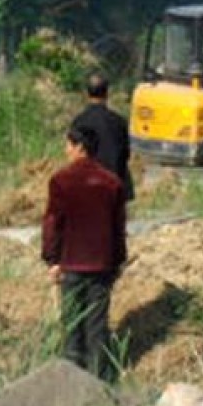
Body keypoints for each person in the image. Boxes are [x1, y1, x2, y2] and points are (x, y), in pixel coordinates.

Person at [42, 126, 127, 381]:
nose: (65, 150)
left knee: (72, 325)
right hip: (101, 264)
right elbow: (118, 228)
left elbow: (53, 224)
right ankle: (100, 382)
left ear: (80, 146)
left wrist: (52, 259)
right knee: (97, 327)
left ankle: (72, 381)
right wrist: (117, 261)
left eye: (68, 144)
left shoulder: (60, 181)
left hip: (71, 264)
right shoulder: (112, 183)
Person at [71, 74, 134, 202]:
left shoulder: (79, 121)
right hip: (113, 184)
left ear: (86, 93)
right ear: (107, 93)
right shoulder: (119, 122)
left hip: (87, 184)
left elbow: (75, 156)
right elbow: (125, 154)